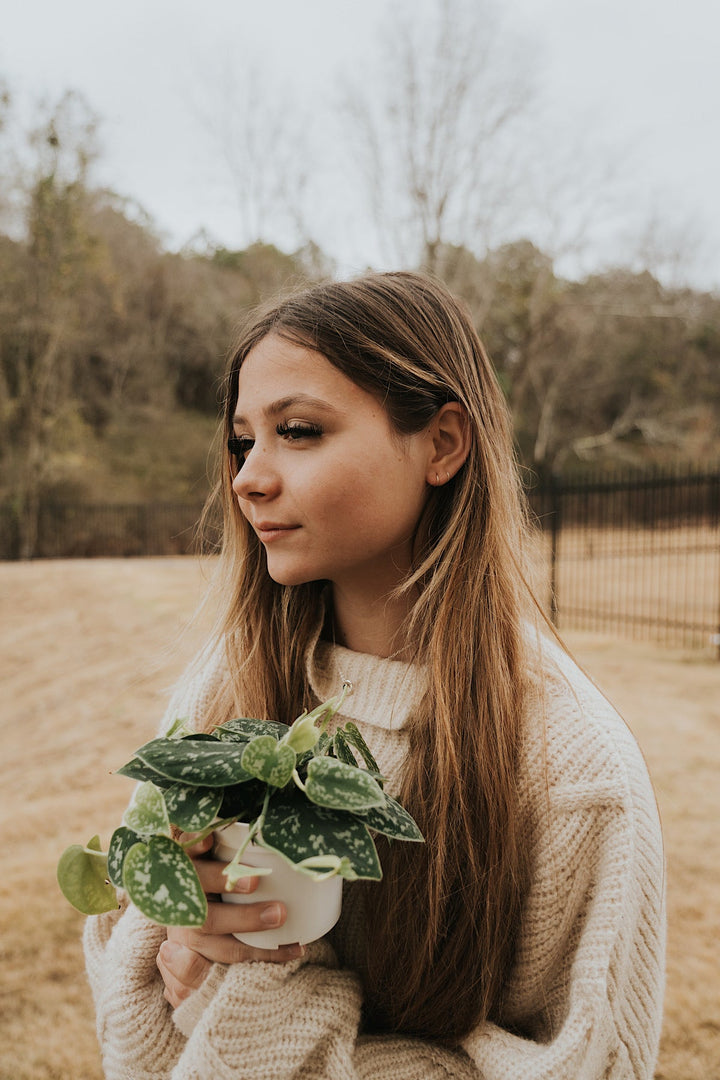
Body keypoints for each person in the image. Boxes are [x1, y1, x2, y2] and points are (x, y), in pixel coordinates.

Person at [83, 271, 666, 1079]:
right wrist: (170, 948)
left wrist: (258, 1021)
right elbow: (126, 967)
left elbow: (590, 1064)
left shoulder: (571, 770)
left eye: (299, 430)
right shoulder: (227, 685)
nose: (250, 476)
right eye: (242, 440)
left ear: (443, 444)